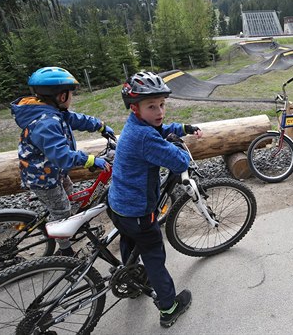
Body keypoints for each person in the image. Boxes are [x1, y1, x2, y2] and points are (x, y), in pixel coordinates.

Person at [107, 71, 203, 328]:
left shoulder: (136, 125)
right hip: (138, 211)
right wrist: (175, 145)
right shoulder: (144, 137)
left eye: (162, 104)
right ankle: (169, 307)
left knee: (129, 239)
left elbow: (159, 129)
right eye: (152, 106)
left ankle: (132, 279)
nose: (159, 111)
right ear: (135, 107)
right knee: (154, 256)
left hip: (118, 205)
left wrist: (182, 128)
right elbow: (179, 160)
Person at [11, 66, 114, 257]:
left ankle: (70, 225)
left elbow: (74, 119)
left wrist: (99, 126)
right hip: (43, 178)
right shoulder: (45, 122)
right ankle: (66, 252)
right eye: (70, 94)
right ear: (61, 96)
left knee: (70, 196)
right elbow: (62, 156)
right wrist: (91, 160)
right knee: (62, 212)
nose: (71, 98)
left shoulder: (51, 112)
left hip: (53, 172)